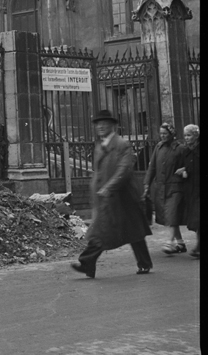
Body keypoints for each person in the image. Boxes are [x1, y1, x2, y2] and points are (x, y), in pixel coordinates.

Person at [71, 108, 152, 278]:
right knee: (102, 229)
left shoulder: (123, 144)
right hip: (107, 198)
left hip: (125, 197)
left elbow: (124, 170)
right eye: (98, 124)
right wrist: (96, 192)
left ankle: (144, 263)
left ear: (112, 126)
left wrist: (109, 187)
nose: (100, 126)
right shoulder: (99, 146)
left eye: (104, 123)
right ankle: (87, 264)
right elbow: (98, 173)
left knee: (133, 231)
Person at [144, 122, 186, 253]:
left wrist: (184, 169)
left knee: (171, 214)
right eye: (161, 134)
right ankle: (180, 243)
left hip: (176, 187)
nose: (162, 136)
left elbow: (190, 164)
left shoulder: (181, 148)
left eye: (165, 134)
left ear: (172, 134)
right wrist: (146, 184)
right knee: (169, 215)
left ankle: (169, 242)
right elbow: (152, 168)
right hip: (161, 188)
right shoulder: (159, 147)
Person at [175, 124, 200, 258]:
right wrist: (184, 170)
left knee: (198, 218)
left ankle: (198, 247)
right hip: (191, 188)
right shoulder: (186, 150)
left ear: (196, 135)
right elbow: (186, 164)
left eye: (189, 135)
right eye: (185, 135)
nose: (186, 138)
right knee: (195, 219)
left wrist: (186, 170)